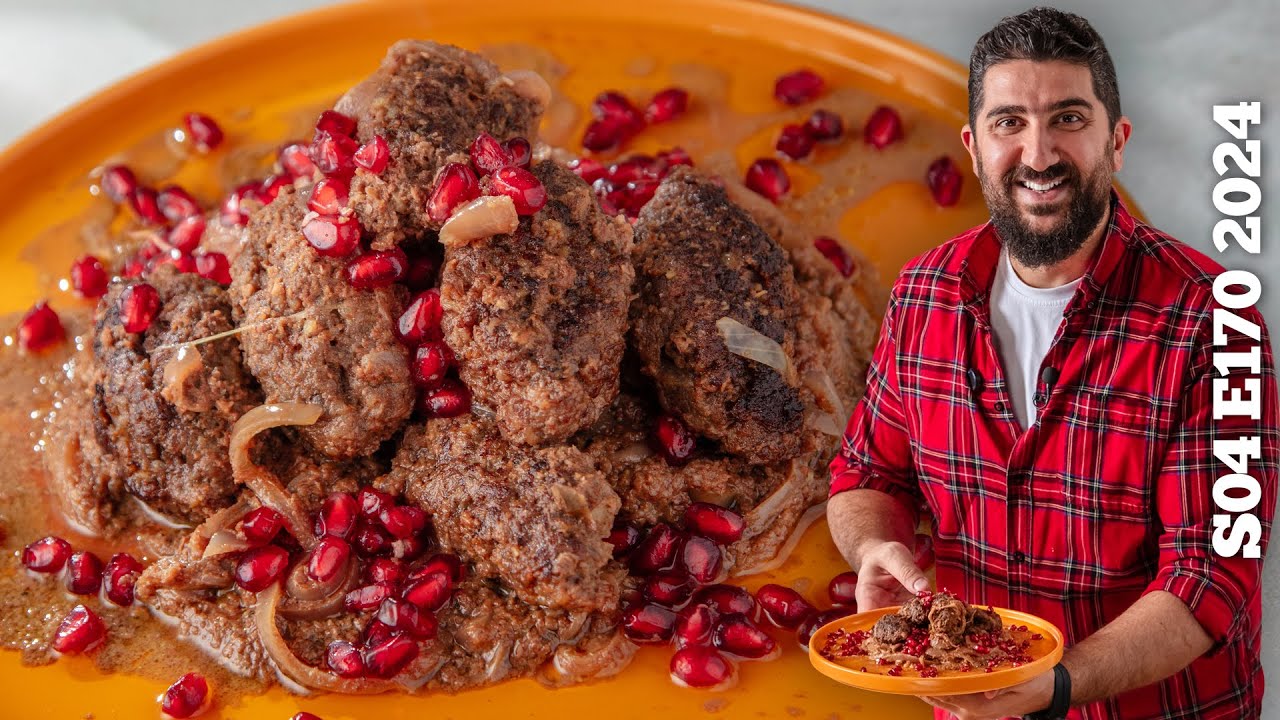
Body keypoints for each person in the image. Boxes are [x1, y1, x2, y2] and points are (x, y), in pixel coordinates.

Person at [827, 6, 1277, 720]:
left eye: (1068, 118)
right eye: (1010, 123)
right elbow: (868, 473)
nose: (1038, 155)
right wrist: (875, 546)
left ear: (1117, 141)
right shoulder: (923, 295)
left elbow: (1211, 577)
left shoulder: (1218, 322)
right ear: (974, 146)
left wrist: (1057, 683)